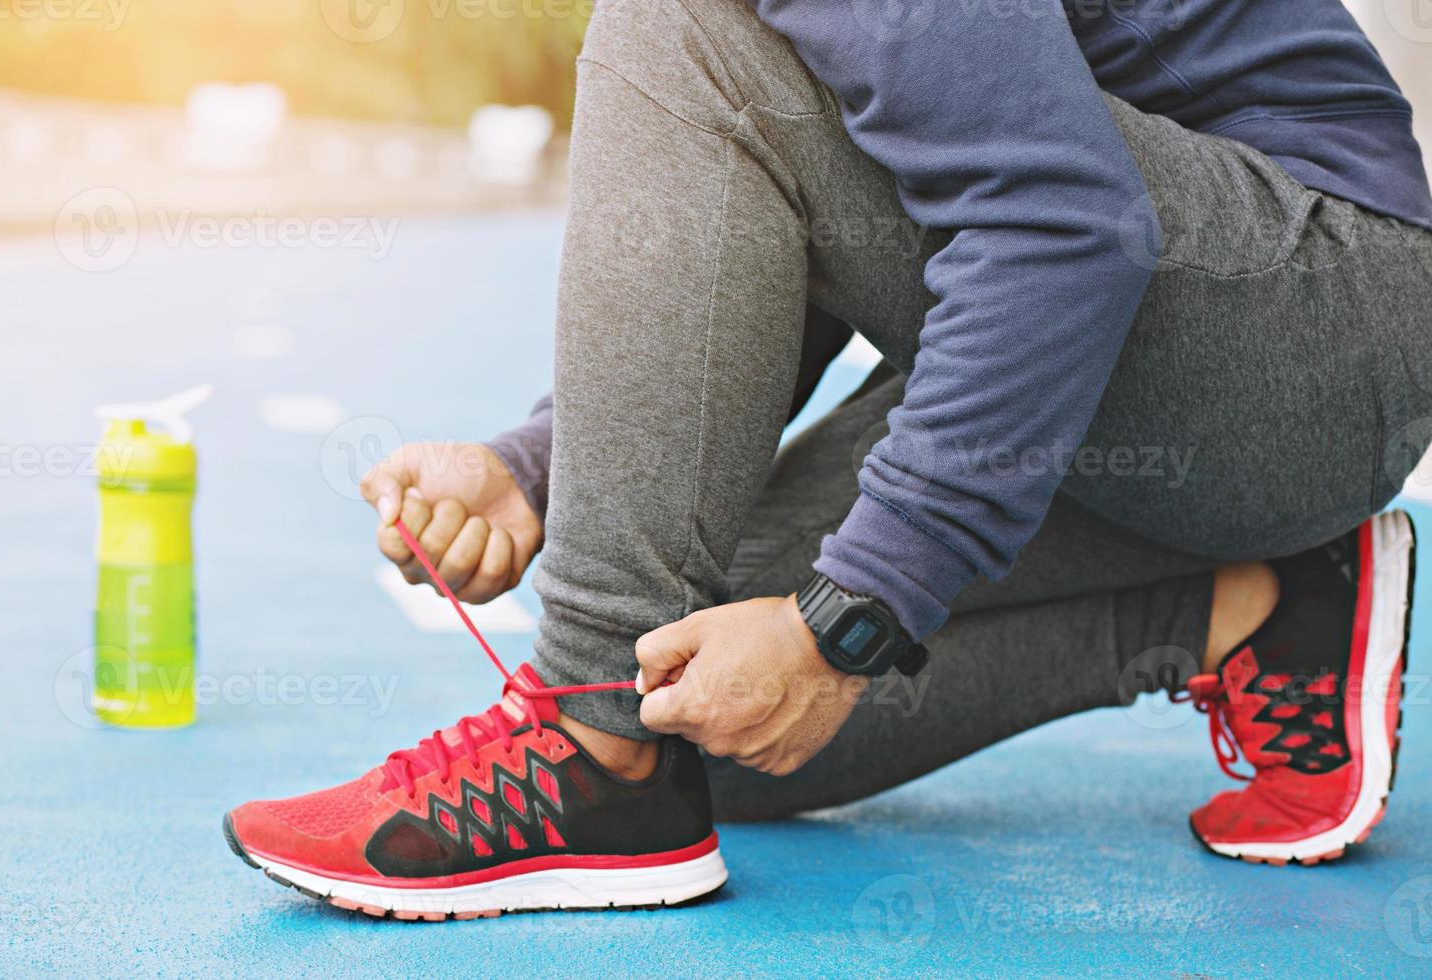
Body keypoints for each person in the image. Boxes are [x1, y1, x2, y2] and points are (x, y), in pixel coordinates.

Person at [223, 0, 1432, 917]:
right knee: (688, 683)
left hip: (1320, 315)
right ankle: (1260, 600)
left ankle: (587, 759)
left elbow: (1060, 221)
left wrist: (853, 619)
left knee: (679, 23)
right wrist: (549, 462)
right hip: (1179, 355)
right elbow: (814, 200)